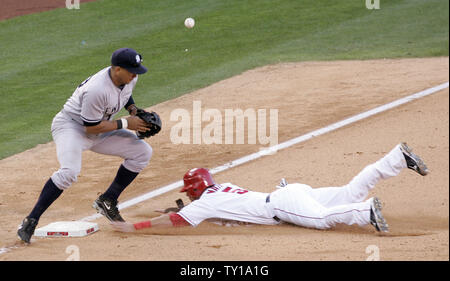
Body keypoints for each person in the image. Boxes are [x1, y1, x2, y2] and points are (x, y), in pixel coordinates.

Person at [111, 142, 429, 233]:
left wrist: (134, 226)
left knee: (322, 220)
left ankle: (365, 211)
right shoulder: (220, 192)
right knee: (347, 192)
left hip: (282, 205)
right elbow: (203, 211)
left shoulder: (204, 204)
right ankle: (395, 158)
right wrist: (178, 209)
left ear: (194, 190)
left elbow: (181, 220)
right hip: (291, 193)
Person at [18, 48, 160, 243]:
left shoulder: (128, 77)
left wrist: (133, 110)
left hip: (101, 127)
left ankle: (108, 200)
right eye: (131, 71)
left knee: (142, 152)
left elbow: (126, 95)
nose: (135, 75)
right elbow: (90, 128)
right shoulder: (97, 89)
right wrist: (127, 123)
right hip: (72, 128)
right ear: (117, 69)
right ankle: (31, 219)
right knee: (69, 172)